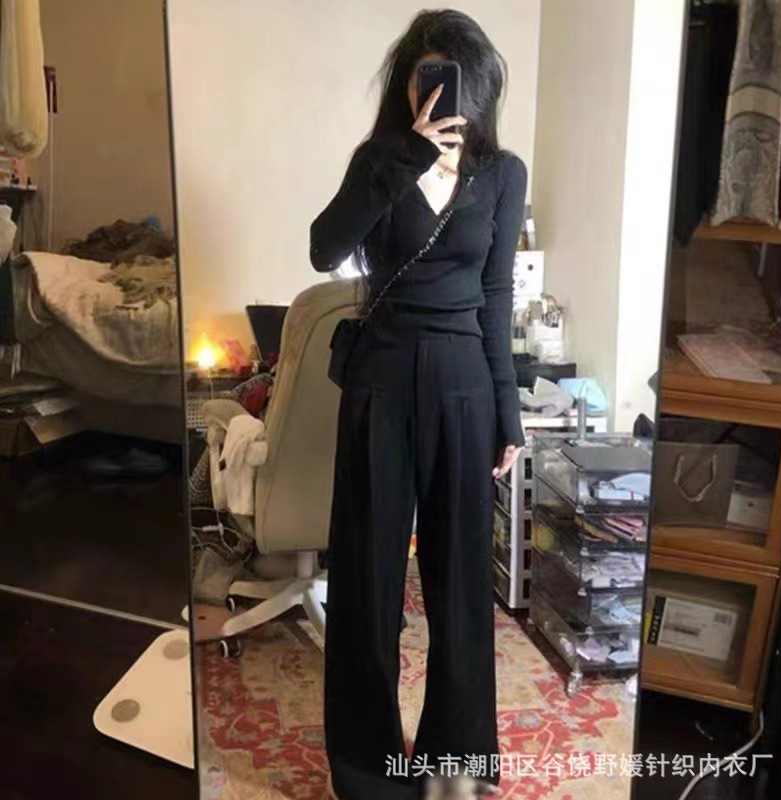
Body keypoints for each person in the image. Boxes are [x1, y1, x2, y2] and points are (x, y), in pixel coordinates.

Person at [310, 9, 526, 799]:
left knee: (461, 583)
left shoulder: (503, 173)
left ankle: (454, 763)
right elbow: (324, 249)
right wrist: (402, 157)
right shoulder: (378, 160)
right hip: (383, 375)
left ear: (481, 87)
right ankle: (367, 771)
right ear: (407, 83)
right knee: (367, 584)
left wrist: (507, 414)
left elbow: (496, 296)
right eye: (425, 77)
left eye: (455, 79)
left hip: (465, 381)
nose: (438, 93)